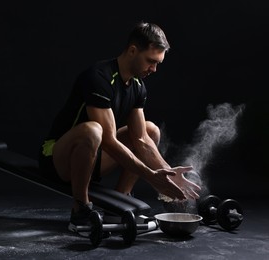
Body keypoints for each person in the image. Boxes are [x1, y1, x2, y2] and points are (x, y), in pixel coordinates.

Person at [38, 21, 201, 230]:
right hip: (57, 159)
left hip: (93, 156)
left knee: (150, 131)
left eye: (158, 63)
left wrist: (167, 172)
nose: (154, 69)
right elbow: (107, 140)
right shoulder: (99, 77)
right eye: (151, 61)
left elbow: (141, 139)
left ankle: (117, 206)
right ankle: (80, 208)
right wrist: (150, 175)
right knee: (93, 130)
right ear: (133, 51)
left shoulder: (137, 86)